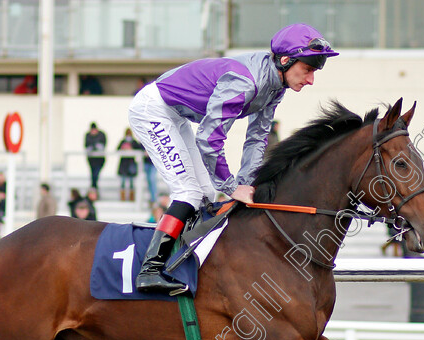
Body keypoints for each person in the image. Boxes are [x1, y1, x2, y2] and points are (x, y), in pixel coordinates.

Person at [127, 23, 338, 292]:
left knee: (206, 192)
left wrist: (247, 183)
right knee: (189, 192)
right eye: (307, 70)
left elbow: (257, 137)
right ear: (286, 60)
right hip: (153, 110)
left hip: (176, 114)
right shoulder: (244, 81)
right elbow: (208, 138)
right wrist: (230, 185)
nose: (310, 80)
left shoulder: (276, 85)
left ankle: (181, 259)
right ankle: (150, 270)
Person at [117, 128, 140, 201]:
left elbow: (139, 150)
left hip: (131, 164)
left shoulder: (134, 142)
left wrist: (131, 149)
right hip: (123, 164)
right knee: (123, 182)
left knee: (131, 182)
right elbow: (117, 149)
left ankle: (131, 197)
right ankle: (123, 197)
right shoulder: (122, 142)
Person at [84, 123, 107, 190]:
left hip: (100, 159)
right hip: (91, 159)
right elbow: (86, 145)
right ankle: (94, 187)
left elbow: (103, 145)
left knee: (96, 174)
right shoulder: (88, 135)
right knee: (93, 174)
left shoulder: (101, 135)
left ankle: (94, 187)